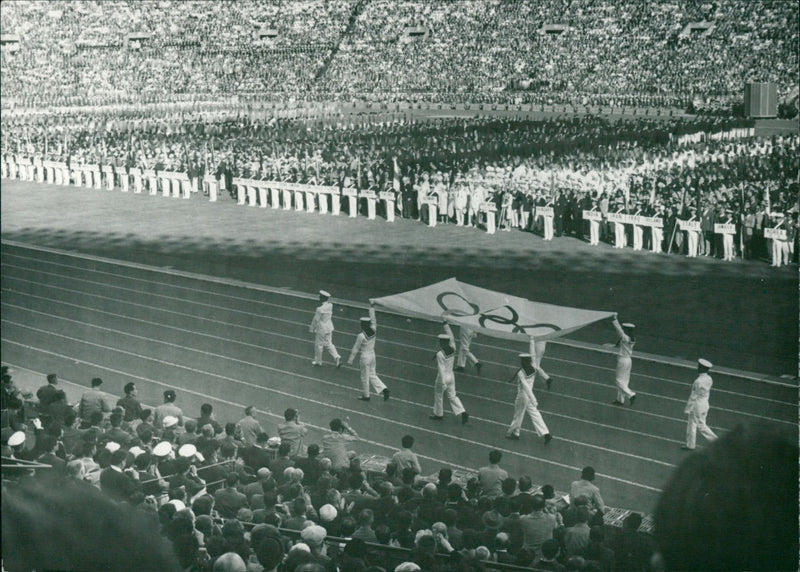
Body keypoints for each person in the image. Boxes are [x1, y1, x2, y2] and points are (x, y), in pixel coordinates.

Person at [505, 347, 552, 445]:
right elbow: (533, 354)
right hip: (529, 395)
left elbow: (525, 387)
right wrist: (531, 340)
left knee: (518, 414)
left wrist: (534, 399)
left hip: (523, 395)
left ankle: (512, 432)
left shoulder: (521, 372)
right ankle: (546, 433)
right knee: (535, 414)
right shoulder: (534, 368)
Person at [347, 304, 389, 401]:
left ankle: (366, 395)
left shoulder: (361, 336)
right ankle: (384, 389)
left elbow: (355, 348)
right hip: (372, 355)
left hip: (365, 357)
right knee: (372, 374)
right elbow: (374, 319)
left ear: (363, 325)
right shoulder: (373, 329)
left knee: (364, 377)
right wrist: (372, 308)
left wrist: (350, 359)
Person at [429, 321, 468, 424]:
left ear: (441, 342)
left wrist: (442, 383)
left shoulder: (440, 354)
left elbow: (441, 369)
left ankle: (438, 414)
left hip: (443, 377)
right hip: (451, 375)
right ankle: (462, 411)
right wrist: (446, 325)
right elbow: (452, 337)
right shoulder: (453, 348)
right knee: (452, 395)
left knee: (438, 395)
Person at [682, 358, 719, 451]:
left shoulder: (698, 381)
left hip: (697, 406)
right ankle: (716, 441)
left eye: (699, 366)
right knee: (702, 425)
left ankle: (690, 445)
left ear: (702, 368)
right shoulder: (709, 379)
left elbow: (693, 396)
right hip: (705, 404)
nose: (697, 367)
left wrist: (687, 408)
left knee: (692, 425)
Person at [310, 290, 341, 367]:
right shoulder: (330, 305)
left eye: (320, 297)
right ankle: (336, 356)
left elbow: (316, 320)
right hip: (329, 327)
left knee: (319, 345)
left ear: (322, 298)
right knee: (329, 344)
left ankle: (318, 361)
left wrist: (312, 328)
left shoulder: (319, 309)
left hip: (321, 329)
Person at [610, 315, 637, 406]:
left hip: (622, 360)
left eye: (624, 328)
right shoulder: (632, 338)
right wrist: (614, 345)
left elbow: (619, 330)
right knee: (624, 381)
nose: (623, 329)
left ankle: (631, 395)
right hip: (629, 360)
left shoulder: (625, 337)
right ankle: (620, 400)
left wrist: (615, 319)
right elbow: (621, 340)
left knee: (618, 381)